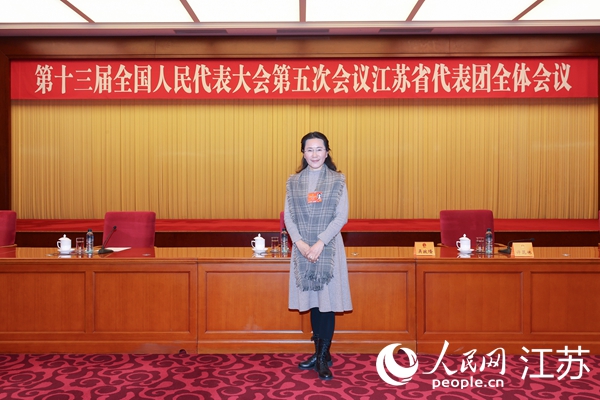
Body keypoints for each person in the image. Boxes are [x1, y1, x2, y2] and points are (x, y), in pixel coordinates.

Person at [284, 131, 352, 380]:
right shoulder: (293, 182)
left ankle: (323, 357)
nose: (314, 154)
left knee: (327, 302)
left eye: (319, 149)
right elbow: (289, 216)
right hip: (302, 250)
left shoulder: (337, 180)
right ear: (303, 153)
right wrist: (301, 244)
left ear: (326, 152)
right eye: (309, 149)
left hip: (328, 249)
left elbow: (341, 217)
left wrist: (320, 243)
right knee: (314, 301)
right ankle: (319, 353)